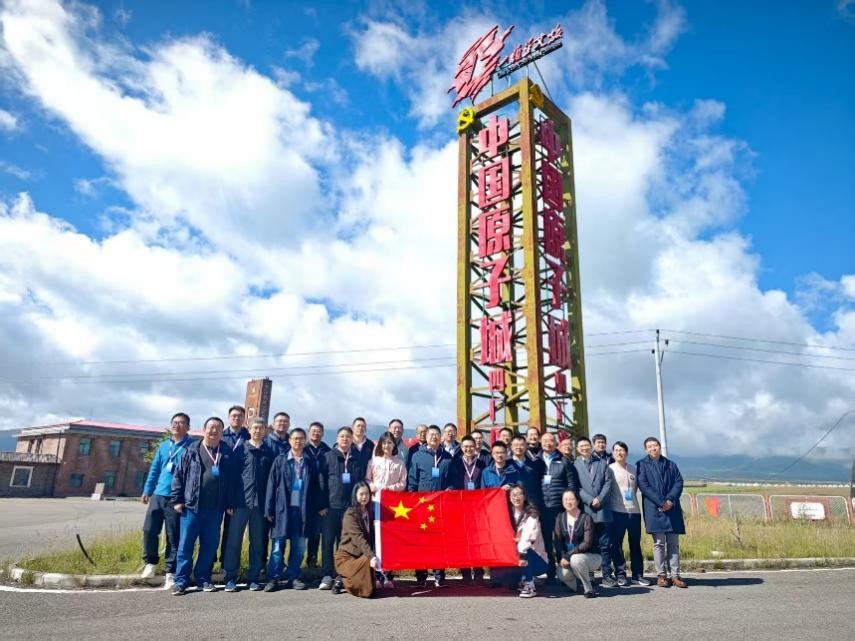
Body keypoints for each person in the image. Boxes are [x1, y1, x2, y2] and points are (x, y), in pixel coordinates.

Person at [170, 417, 235, 595]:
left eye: (218, 428)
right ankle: (181, 581)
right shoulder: (192, 450)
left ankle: (203, 579)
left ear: (222, 432)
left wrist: (229, 502)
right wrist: (177, 499)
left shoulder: (227, 453)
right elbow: (179, 475)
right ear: (204, 429)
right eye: (211, 427)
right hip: (192, 507)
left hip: (215, 509)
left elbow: (232, 481)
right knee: (185, 546)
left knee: (209, 546)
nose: (214, 430)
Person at [141, 412, 192, 589]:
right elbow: (155, 469)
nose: (177, 425)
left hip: (177, 498)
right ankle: (150, 562)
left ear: (188, 427)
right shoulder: (164, 446)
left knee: (173, 535)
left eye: (181, 423)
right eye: (174, 422)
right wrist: (148, 489)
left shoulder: (191, 447)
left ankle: (170, 571)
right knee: (149, 529)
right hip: (158, 494)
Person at [223, 417, 274, 592]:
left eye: (261, 428)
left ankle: (253, 578)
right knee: (233, 542)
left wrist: (269, 506)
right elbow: (232, 477)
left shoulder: (269, 452)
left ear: (265, 431)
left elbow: (271, 481)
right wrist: (229, 501)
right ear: (249, 429)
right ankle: (230, 578)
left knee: (257, 543)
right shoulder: (240, 450)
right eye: (255, 428)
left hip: (260, 506)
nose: (258, 431)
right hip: (240, 502)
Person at [264, 428, 318, 591]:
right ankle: (273, 578)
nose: (298, 441)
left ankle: (293, 577)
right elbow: (271, 485)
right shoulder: (280, 460)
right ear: (290, 440)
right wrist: (269, 509)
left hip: (302, 510)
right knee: (277, 547)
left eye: (301, 438)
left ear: (305, 441)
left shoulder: (309, 462)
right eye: (295, 438)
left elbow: (315, 487)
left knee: (299, 547)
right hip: (283, 509)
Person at [318, 427, 366, 590]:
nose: (345, 439)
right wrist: (322, 504)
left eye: (348, 437)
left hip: (349, 509)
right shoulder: (328, 456)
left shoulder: (356, 459)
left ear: (352, 439)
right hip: (330, 507)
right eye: (342, 436)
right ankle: (326, 575)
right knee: (327, 542)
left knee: (344, 544)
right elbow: (321, 482)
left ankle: (341, 575)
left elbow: (360, 484)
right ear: (337, 438)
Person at [407, 424, 455, 587]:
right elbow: (412, 481)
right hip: (422, 506)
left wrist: (450, 489)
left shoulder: (447, 457)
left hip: (441, 506)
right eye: (431, 434)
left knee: (439, 542)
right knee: (422, 542)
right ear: (426, 437)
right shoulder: (417, 456)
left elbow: (452, 480)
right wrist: (413, 501)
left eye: (437, 434)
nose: (434, 437)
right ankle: (421, 577)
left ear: (441, 438)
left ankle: (439, 576)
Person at [636, 436, 687, 588]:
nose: (653, 448)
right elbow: (644, 485)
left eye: (655, 445)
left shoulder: (671, 464)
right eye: (650, 446)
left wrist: (670, 500)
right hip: (654, 509)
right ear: (646, 449)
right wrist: (661, 502)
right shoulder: (641, 465)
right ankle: (661, 575)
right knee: (658, 543)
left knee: (673, 543)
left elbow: (679, 482)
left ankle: (675, 575)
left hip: (672, 509)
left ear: (659, 447)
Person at [365, 432, 406, 588]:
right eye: (384, 443)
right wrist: (373, 486)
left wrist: (390, 488)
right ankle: (376, 575)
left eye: (390, 443)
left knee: (389, 539)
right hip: (376, 503)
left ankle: (388, 575)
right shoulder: (373, 462)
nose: (387, 446)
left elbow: (403, 483)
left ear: (394, 445)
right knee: (376, 538)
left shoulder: (399, 463)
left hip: (392, 505)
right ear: (380, 445)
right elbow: (367, 479)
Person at [492, 485, 548, 598]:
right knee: (505, 581)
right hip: (516, 558)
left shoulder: (532, 514)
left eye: (519, 495)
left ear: (524, 497)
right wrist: (500, 492)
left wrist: (520, 548)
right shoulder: (508, 514)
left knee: (524, 549)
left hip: (536, 558)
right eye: (513, 495)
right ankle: (524, 577)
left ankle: (529, 585)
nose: (516, 498)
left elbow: (527, 538)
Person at [573, 436, 616, 587]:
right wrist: (590, 500)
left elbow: (608, 483)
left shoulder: (602, 463)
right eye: (581, 446)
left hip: (602, 509)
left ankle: (606, 575)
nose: (585, 448)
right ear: (577, 449)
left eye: (587, 445)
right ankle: (589, 575)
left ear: (591, 447)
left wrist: (600, 499)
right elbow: (576, 487)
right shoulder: (575, 465)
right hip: (585, 509)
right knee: (587, 544)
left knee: (605, 544)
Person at [608, 441, 650, 587]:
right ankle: (620, 575)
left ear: (626, 453)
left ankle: (637, 575)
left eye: (622, 450)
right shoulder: (610, 469)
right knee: (617, 545)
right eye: (616, 450)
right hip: (617, 512)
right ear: (613, 453)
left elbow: (639, 488)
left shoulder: (633, 469)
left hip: (634, 512)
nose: (619, 453)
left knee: (635, 545)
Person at [537, 432, 578, 582]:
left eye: (551, 440)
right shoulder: (536, 461)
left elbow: (572, 484)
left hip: (559, 507)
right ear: (541, 442)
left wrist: (569, 503)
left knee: (561, 540)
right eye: (545, 440)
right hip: (543, 507)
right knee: (547, 541)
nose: (548, 443)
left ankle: (565, 573)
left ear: (556, 443)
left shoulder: (564, 461)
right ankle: (550, 572)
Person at [452, 435, 487, 584]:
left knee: (477, 540)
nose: (468, 449)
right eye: (465, 446)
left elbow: (484, 484)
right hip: (460, 506)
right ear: (461, 448)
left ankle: (478, 572)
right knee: (463, 541)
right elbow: (452, 483)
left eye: (471, 446)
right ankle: (465, 573)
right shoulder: (455, 463)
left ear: (475, 447)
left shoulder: (482, 464)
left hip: (477, 507)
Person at [553, 489, 600, 598]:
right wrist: (562, 558)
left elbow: (587, 543)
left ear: (578, 501)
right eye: (565, 499)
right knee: (561, 572)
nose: (568, 502)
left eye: (571, 499)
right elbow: (557, 541)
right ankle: (576, 587)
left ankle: (589, 589)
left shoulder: (586, 517)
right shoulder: (560, 518)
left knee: (576, 559)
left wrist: (568, 556)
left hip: (591, 556)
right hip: (570, 558)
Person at [334, 482, 377, 598]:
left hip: (359, 556)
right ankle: (343, 579)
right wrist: (371, 556)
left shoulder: (370, 511)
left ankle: (347, 578)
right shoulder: (350, 514)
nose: (364, 497)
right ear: (355, 495)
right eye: (361, 494)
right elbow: (358, 538)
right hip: (346, 557)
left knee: (373, 589)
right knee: (367, 591)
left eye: (367, 494)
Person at [219, 405, 249, 564]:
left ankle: (226, 563)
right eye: (234, 416)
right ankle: (209, 563)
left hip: (238, 490)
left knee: (231, 530)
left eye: (240, 416)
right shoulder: (220, 435)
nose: (236, 418)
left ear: (244, 418)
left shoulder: (248, 437)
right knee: (213, 528)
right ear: (229, 417)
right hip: (219, 488)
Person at [304, 421, 330, 568]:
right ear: (309, 432)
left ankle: (312, 562)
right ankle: (295, 564)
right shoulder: (302, 448)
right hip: (303, 496)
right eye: (313, 431)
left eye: (319, 431)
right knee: (300, 532)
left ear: (323, 433)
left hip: (320, 496)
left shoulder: (326, 450)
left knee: (315, 533)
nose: (316, 433)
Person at [510, 435, 544, 511]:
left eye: (521, 445)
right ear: (511, 447)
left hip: (531, 504)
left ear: (526, 446)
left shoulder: (535, 464)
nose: (519, 447)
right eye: (516, 445)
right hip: (512, 506)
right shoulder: (506, 464)